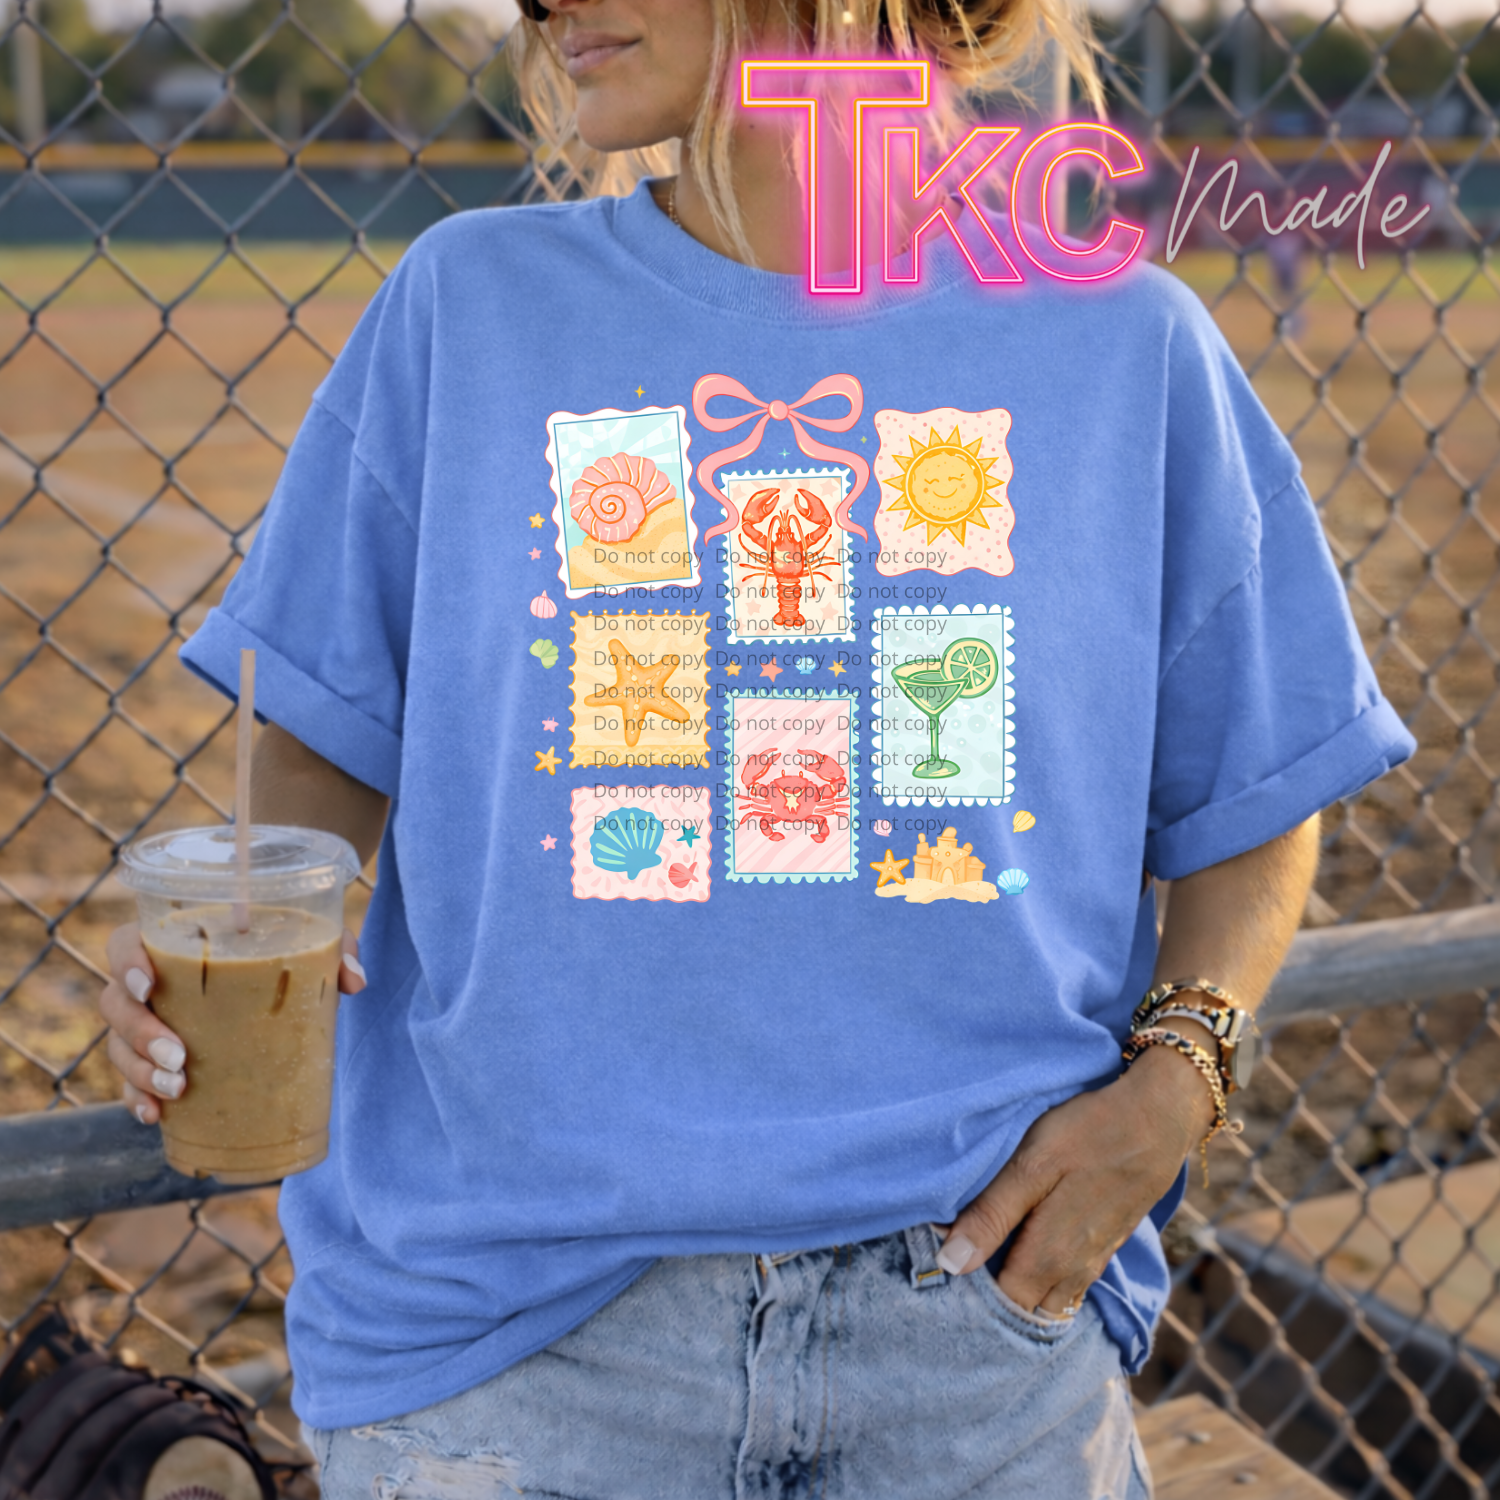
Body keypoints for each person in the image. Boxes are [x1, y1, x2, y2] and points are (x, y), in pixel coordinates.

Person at [97, 2, 1415, 1495]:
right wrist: (254, 938)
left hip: (977, 1329)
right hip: (515, 1344)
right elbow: (323, 752)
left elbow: (1257, 790)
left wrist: (1179, 1079)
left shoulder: (1125, 344)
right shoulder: (466, 308)